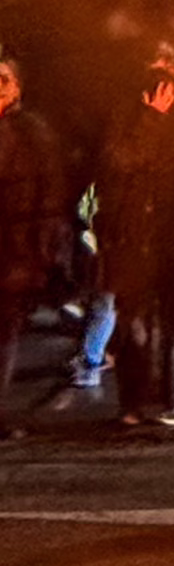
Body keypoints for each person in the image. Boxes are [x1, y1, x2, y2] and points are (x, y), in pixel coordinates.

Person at [95, 67, 174, 429]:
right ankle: (134, 401)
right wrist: (150, 120)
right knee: (134, 327)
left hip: (173, 238)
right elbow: (121, 162)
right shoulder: (125, 127)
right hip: (133, 240)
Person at [0, 59, 66, 441]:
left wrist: (43, 251)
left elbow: (52, 195)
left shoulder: (33, 132)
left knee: (5, 333)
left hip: (15, 251)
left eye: (4, 79)